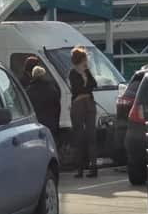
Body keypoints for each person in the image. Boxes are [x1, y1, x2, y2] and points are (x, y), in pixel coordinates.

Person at [68, 46, 98, 178]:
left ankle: (93, 167)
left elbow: (94, 84)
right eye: (85, 58)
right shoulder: (72, 73)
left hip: (89, 103)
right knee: (79, 136)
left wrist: (86, 80)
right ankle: (79, 168)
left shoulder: (87, 71)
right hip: (78, 104)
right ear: (80, 59)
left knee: (91, 135)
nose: (87, 60)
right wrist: (86, 86)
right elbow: (76, 89)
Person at [26, 66, 61, 134]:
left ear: (33, 76)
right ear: (43, 75)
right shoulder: (51, 89)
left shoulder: (29, 90)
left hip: (36, 123)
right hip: (50, 123)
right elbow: (57, 106)